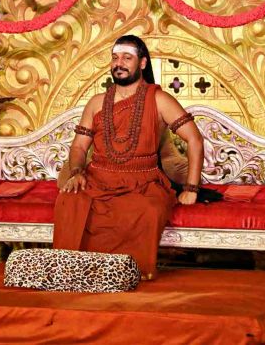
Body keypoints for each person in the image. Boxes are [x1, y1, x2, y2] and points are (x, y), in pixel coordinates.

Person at [53, 35, 204, 280]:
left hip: (143, 183)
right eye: (115, 58)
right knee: (70, 200)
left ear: (142, 63)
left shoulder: (159, 100)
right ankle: (76, 271)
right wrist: (77, 172)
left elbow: (195, 139)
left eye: (126, 58)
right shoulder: (97, 103)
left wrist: (191, 189)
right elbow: (79, 146)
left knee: (147, 209)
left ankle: (128, 273)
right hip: (98, 179)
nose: (119, 63)